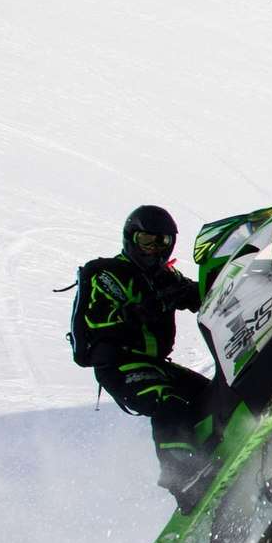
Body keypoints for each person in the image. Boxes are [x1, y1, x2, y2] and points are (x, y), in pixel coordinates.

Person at [72, 205, 211, 506]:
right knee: (166, 401)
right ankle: (181, 476)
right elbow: (96, 318)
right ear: (131, 239)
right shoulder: (107, 273)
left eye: (163, 243)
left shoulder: (166, 277)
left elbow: (201, 295)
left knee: (214, 396)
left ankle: (215, 450)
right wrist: (136, 312)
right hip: (120, 363)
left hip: (157, 364)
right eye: (148, 241)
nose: (155, 250)